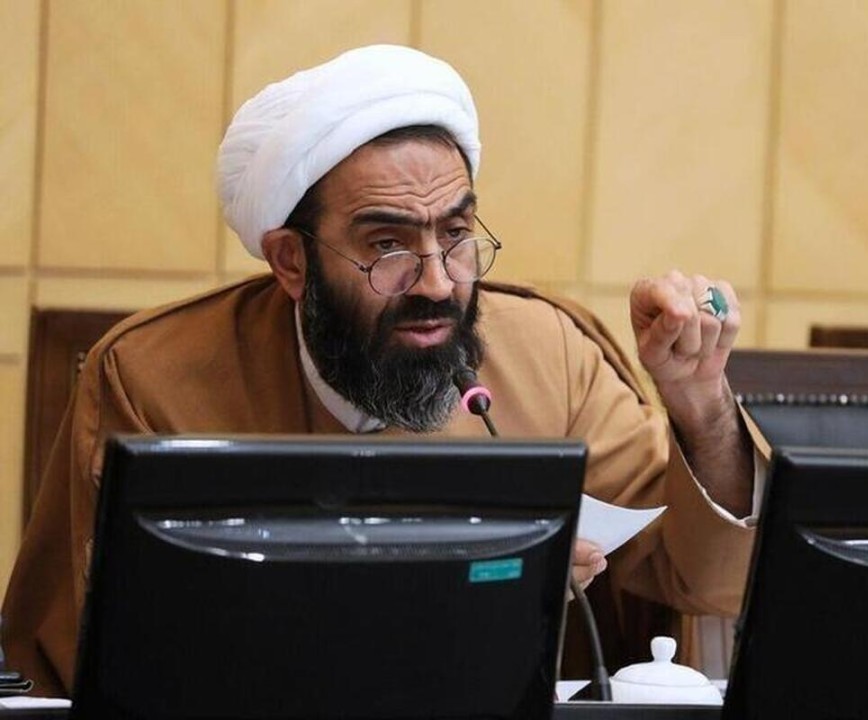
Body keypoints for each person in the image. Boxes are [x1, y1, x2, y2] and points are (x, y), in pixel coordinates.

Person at [0, 44, 765, 697]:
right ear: (291, 261)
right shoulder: (154, 378)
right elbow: (99, 659)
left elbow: (706, 580)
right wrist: (469, 579)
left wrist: (700, 403)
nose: (435, 281)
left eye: (456, 233)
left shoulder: (548, 355)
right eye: (387, 245)